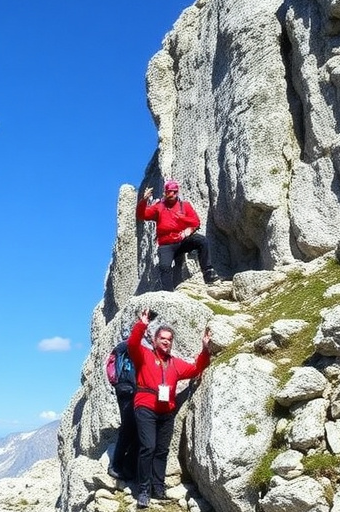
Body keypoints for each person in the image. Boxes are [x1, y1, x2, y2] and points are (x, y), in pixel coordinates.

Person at [127, 309, 211, 508]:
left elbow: (195, 369)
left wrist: (205, 349)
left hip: (166, 412)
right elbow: (132, 345)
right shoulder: (145, 356)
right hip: (145, 406)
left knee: (162, 450)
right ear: (155, 340)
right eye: (163, 338)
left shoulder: (175, 364)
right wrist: (143, 324)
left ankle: (158, 488)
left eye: (169, 339)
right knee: (148, 447)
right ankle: (144, 490)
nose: (166, 342)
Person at [136, 179, 220, 291]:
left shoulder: (185, 205)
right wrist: (144, 200)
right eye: (169, 192)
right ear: (165, 192)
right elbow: (141, 215)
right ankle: (168, 293)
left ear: (177, 192)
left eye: (174, 192)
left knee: (202, 241)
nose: (171, 194)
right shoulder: (159, 207)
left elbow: (195, 221)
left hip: (182, 241)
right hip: (166, 244)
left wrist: (188, 230)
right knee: (165, 267)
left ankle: (208, 273)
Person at [105, 340, 138, 481]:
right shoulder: (128, 345)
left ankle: (126, 466)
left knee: (135, 429)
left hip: (129, 390)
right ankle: (116, 466)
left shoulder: (124, 347)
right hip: (127, 391)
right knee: (129, 429)